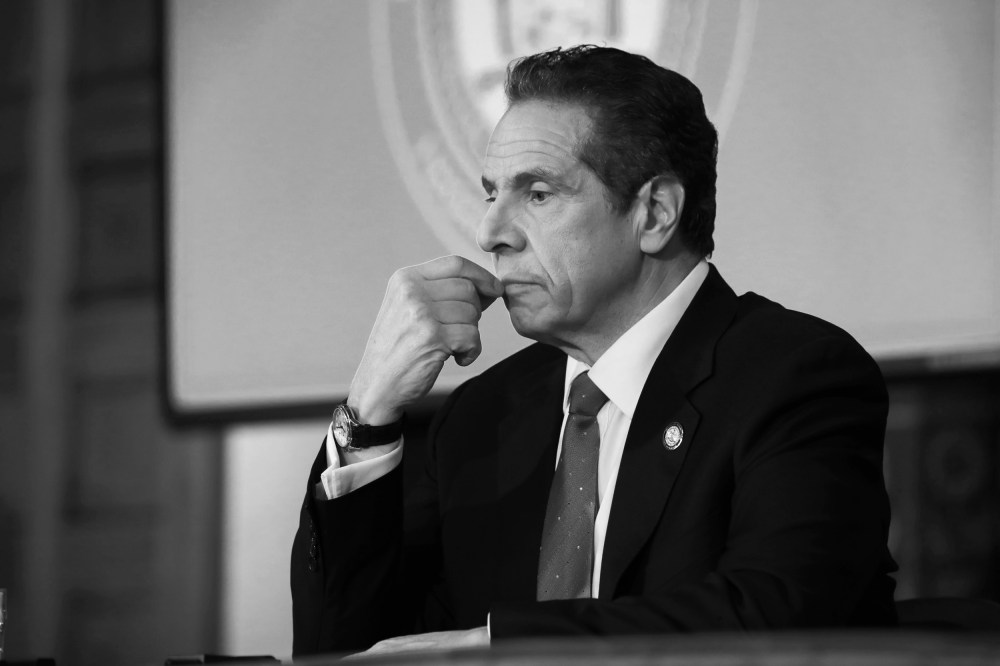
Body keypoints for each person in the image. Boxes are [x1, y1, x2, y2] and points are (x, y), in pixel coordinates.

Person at [290, 45, 897, 657]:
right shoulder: (481, 419)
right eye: (491, 194)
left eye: (539, 194)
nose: (490, 233)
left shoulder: (794, 376)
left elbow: (773, 618)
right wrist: (366, 413)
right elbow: (343, 649)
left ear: (654, 213)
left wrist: (498, 647)